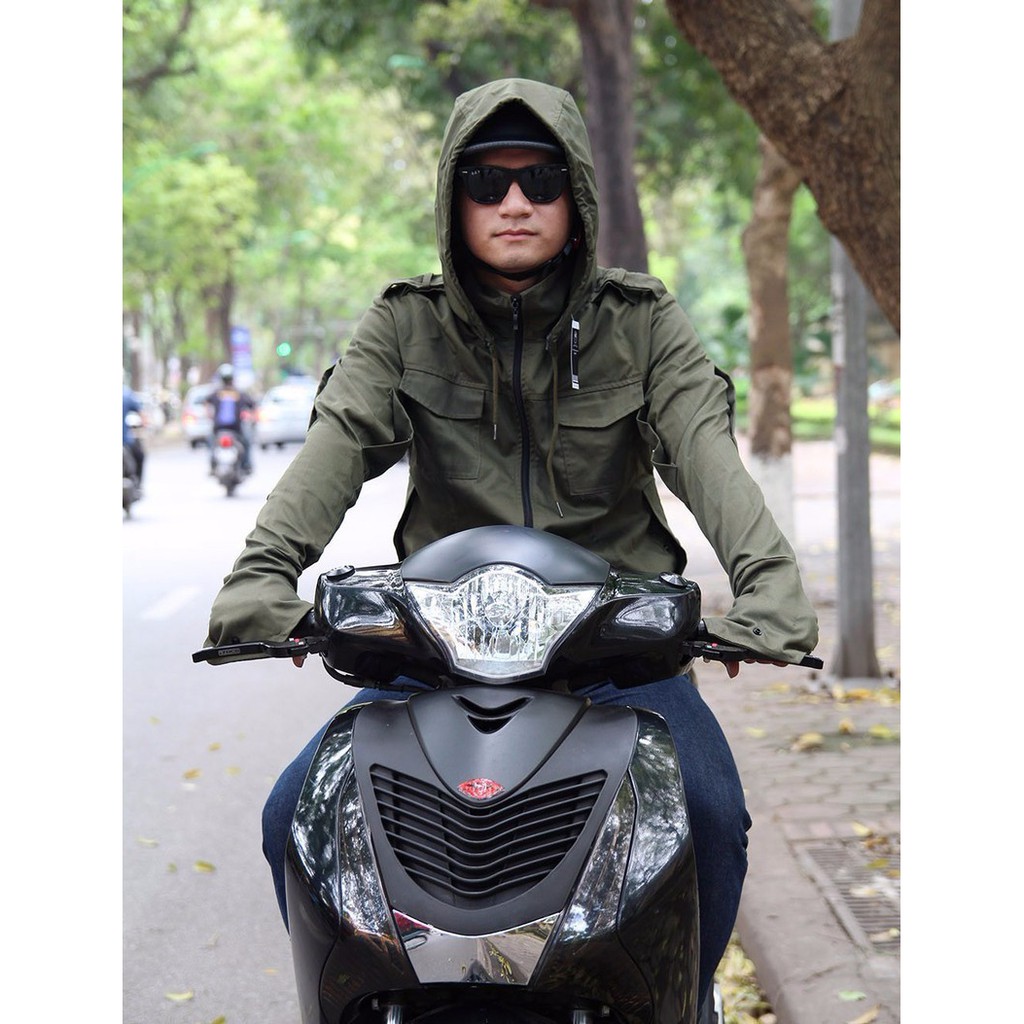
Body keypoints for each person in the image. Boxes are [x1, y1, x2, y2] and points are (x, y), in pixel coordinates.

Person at [203, 78, 818, 1008]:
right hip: (432, 656)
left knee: (708, 817)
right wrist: (261, 583)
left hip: (617, 657)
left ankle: (686, 1003)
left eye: (541, 179)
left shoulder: (641, 322)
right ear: (454, 200)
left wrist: (770, 593)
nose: (516, 202)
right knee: (296, 813)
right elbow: (330, 452)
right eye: (487, 182)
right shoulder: (404, 324)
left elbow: (707, 457)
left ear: (578, 198)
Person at [206, 363, 255, 473]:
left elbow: (206, 402)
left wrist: (209, 415)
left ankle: (212, 466)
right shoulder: (239, 394)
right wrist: (251, 418)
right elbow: (252, 405)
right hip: (236, 429)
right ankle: (246, 465)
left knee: (211, 442)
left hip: (218, 429)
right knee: (247, 443)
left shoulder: (216, 393)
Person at [122, 381, 145, 488]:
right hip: (124, 441)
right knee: (140, 456)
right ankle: (138, 485)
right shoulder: (126, 394)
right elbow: (143, 415)